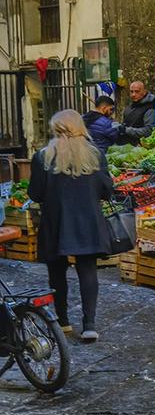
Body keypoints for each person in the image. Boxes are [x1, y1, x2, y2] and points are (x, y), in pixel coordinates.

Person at [28, 111, 114, 342]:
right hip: (88, 221)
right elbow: (107, 190)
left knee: (56, 271)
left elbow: (35, 193)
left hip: (55, 221)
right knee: (88, 270)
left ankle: (63, 322)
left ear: (55, 129)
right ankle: (89, 325)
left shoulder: (42, 157)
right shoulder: (95, 155)